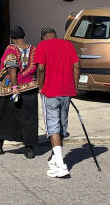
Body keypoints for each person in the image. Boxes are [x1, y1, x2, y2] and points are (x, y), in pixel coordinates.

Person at [0, 26, 39, 159]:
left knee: (5, 116)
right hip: (31, 87)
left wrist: (15, 86)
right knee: (29, 117)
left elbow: (12, 68)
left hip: (12, 90)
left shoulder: (11, 49)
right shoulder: (34, 49)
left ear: (11, 37)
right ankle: (29, 149)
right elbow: (40, 67)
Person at [34, 27, 79, 178]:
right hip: (66, 91)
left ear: (43, 37)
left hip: (50, 91)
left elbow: (41, 69)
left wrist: (40, 87)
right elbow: (77, 66)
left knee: (53, 127)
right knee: (61, 126)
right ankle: (54, 159)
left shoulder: (42, 45)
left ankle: (61, 164)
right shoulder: (67, 44)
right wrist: (75, 87)